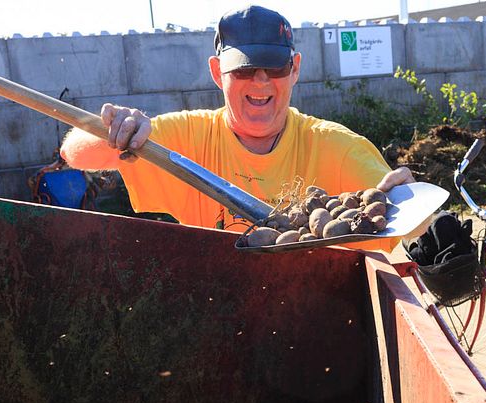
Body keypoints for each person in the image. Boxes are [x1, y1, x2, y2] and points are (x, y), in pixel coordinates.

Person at [60, 5, 414, 250]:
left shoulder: (335, 146)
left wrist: (414, 208)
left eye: (274, 68)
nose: (260, 83)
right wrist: (118, 127)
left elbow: (404, 221)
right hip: (218, 307)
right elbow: (74, 154)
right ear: (217, 73)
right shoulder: (190, 136)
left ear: (295, 69)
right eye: (243, 69)